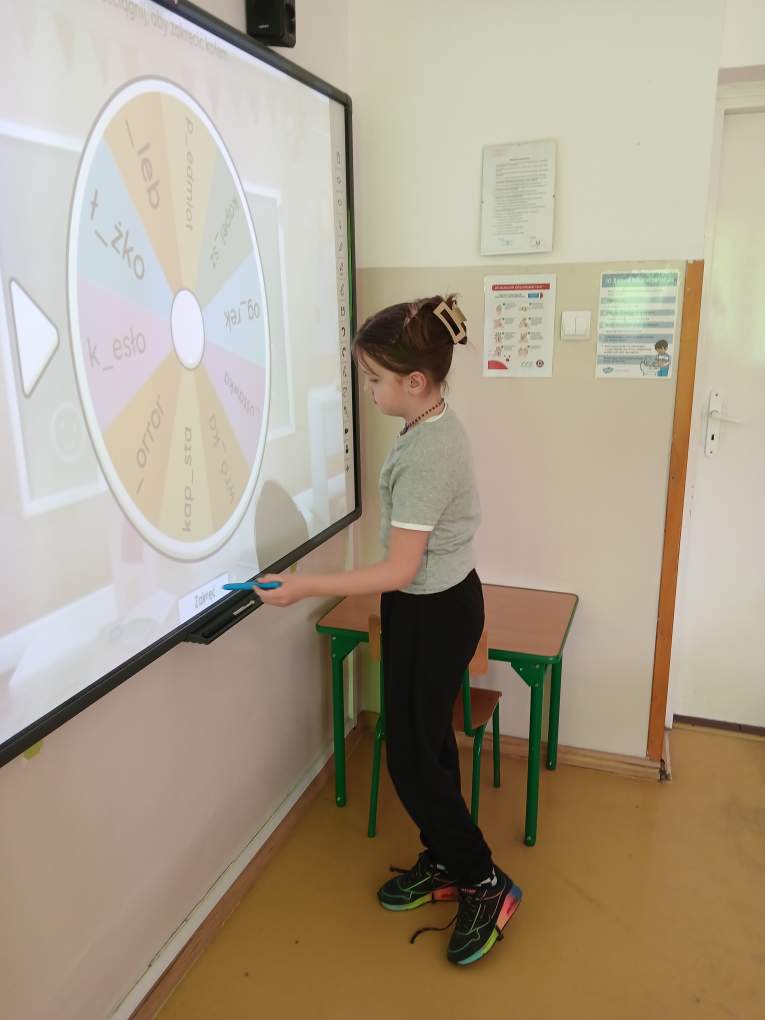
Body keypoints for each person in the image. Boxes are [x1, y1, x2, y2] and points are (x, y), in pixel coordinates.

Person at [257, 295, 522, 966]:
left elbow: (401, 566)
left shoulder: (430, 451)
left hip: (436, 611)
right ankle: (446, 859)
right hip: (422, 605)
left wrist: (304, 585)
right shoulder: (426, 425)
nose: (368, 391)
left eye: (374, 379)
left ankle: (484, 881)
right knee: (424, 744)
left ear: (415, 381)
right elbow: (406, 570)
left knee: (408, 756)